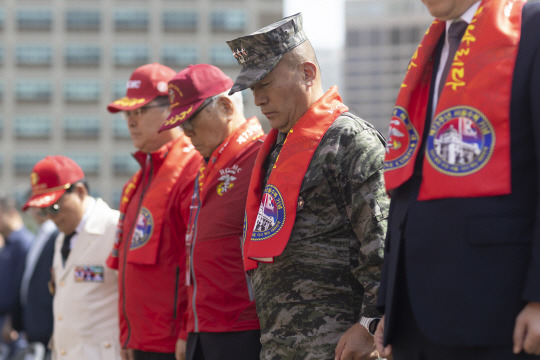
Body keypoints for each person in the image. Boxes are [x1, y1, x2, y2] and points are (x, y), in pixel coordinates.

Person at [375, 0, 540, 359]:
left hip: (498, 310)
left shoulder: (532, 27)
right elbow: (409, 180)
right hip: (414, 316)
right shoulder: (432, 44)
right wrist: (390, 301)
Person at [227, 13, 389, 360]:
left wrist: (369, 323)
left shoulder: (350, 142)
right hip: (280, 345)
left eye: (265, 83)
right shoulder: (276, 148)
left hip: (339, 347)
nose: (258, 100)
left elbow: (382, 242)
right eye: (253, 88)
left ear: (308, 73)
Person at [158, 64, 264, 360]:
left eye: (190, 120)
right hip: (203, 328)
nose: (186, 132)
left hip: (243, 330)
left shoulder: (262, 158)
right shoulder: (206, 167)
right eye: (181, 123)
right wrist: (187, 328)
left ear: (227, 106)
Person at [106, 63, 202, 360]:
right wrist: (126, 336)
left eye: (140, 112)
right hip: (140, 343)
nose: (131, 122)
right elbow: (126, 270)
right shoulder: (136, 183)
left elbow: (196, 263)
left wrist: (187, 334)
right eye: (127, 114)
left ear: (171, 110)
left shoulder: (192, 170)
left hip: (172, 345)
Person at [22, 155, 121, 360]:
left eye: (54, 207)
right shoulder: (62, 238)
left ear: (80, 192)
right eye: (43, 210)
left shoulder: (114, 228)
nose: (50, 217)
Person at [17, 208, 59, 352]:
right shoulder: (39, 235)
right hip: (34, 323)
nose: (34, 211)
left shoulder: (56, 235)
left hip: (48, 326)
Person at [0, 196, 33, 359]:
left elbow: (22, 287)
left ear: (11, 213)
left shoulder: (24, 243)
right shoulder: (8, 243)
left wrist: (11, 321)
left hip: (13, 327)